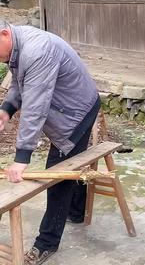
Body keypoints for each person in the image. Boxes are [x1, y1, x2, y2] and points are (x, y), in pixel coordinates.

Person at [0, 20, 100, 265]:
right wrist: (6, 109)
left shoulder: (37, 50)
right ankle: (76, 213)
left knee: (57, 177)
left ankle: (46, 243)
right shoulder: (18, 44)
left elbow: (35, 107)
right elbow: (19, 83)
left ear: (3, 34)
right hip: (71, 105)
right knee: (72, 164)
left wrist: (22, 158)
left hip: (76, 112)